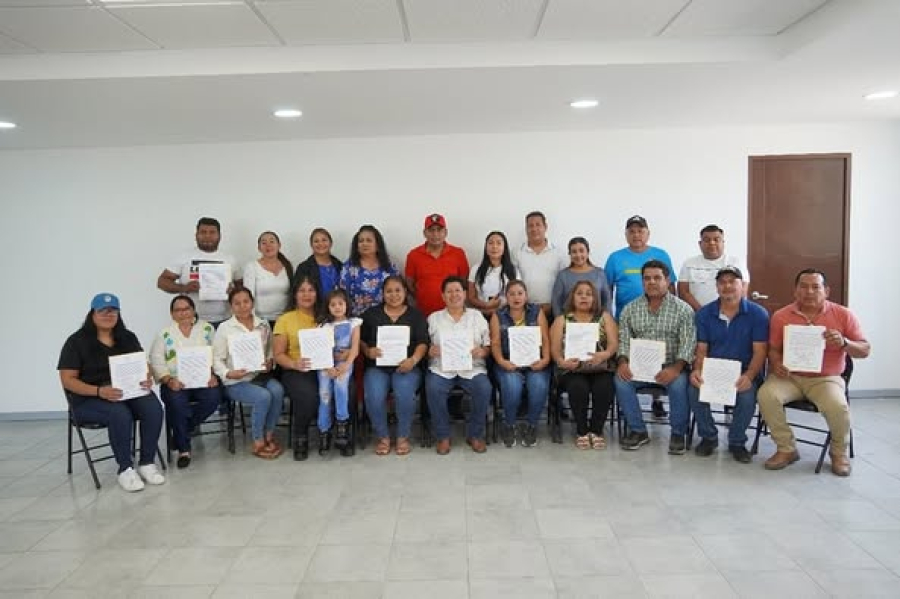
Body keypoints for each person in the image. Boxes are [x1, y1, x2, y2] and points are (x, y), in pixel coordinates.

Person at [757, 269, 870, 476]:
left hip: (826, 379)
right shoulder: (781, 316)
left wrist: (844, 343)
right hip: (790, 377)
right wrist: (777, 363)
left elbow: (865, 350)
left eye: (815, 287)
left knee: (838, 406)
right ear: (795, 291)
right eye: (803, 286)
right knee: (766, 395)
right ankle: (786, 448)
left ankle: (838, 453)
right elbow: (773, 349)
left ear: (826, 291)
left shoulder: (843, 314)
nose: (809, 291)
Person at [58, 293, 166, 492]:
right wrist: (99, 391)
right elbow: (67, 380)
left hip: (125, 393)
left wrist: (147, 376)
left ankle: (147, 463)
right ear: (92, 313)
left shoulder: (127, 337)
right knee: (119, 413)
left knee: (153, 407)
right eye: (103, 311)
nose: (108, 315)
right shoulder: (76, 342)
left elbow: (144, 364)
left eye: (113, 311)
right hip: (88, 399)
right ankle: (125, 469)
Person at [687, 267, 768, 463]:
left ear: (742, 285)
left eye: (732, 281)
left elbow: (760, 351)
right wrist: (697, 370)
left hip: (744, 371)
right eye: (722, 282)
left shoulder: (758, 314)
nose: (727, 286)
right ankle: (708, 437)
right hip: (713, 370)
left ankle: (737, 441)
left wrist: (749, 376)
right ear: (717, 287)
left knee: (746, 397)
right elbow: (702, 349)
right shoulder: (704, 314)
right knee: (694, 389)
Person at [614, 260, 696, 454]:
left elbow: (688, 344)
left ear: (667, 281)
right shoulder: (630, 309)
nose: (652, 282)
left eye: (657, 278)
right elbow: (624, 341)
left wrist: (675, 369)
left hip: (672, 366)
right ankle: (638, 430)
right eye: (647, 278)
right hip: (640, 367)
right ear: (642, 281)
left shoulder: (683, 310)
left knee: (678, 385)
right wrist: (623, 362)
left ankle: (678, 433)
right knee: (621, 381)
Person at [604, 215, 677, 418]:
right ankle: (627, 406)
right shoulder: (615, 258)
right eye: (632, 231)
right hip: (628, 320)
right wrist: (609, 318)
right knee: (630, 364)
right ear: (626, 234)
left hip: (660, 317)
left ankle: (657, 400)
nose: (636, 235)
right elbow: (607, 290)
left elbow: (672, 286)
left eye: (640, 231)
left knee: (659, 357)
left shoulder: (660, 254)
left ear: (648, 233)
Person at [150, 294, 223, 469]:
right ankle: (184, 450)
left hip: (203, 380)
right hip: (176, 382)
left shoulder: (207, 329)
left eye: (186, 309)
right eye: (178, 310)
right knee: (176, 403)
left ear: (193, 310)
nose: (183, 313)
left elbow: (217, 354)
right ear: (172, 314)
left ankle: (183, 431)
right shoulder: (164, 334)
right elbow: (156, 361)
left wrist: (214, 374)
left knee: (214, 397)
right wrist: (168, 380)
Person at [212, 288, 285, 459]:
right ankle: (258, 441)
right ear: (231, 306)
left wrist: (270, 362)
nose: (242, 306)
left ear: (252, 303)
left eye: (246, 301)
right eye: (237, 303)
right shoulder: (225, 328)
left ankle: (268, 434)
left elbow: (270, 351)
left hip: (259, 375)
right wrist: (229, 373)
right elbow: (216, 359)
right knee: (263, 396)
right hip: (235, 381)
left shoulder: (263, 324)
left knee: (278, 390)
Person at [361, 276, 429, 456]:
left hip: (407, 367)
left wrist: (413, 360)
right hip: (377, 367)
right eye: (389, 291)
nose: (393, 295)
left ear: (405, 292)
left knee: (404, 393)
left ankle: (402, 436)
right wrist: (368, 351)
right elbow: (360, 340)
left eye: (398, 290)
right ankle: (383, 436)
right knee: (374, 395)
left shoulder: (416, 315)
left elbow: (423, 342)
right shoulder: (371, 314)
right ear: (382, 294)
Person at [425, 276, 493, 454]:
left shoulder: (476, 316)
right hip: (441, 368)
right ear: (443, 296)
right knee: (433, 387)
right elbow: (424, 345)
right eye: (449, 291)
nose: (454, 295)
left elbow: (488, 344)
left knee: (484, 388)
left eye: (457, 290)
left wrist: (483, 351)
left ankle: (475, 434)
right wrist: (430, 351)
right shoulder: (434, 318)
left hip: (472, 367)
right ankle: (443, 436)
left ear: (464, 294)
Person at [550, 281, 618, 449]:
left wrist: (605, 354)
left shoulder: (605, 317)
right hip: (572, 369)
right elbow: (555, 350)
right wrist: (562, 362)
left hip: (600, 366)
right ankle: (581, 431)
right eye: (579, 293)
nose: (584, 297)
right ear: (572, 297)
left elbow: (614, 345)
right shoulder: (561, 319)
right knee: (578, 387)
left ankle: (596, 430)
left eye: (589, 294)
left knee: (605, 386)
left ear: (595, 298)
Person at [491, 280, 551, 447]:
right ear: (506, 297)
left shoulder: (537, 312)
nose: (516, 297)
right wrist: (502, 361)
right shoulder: (498, 315)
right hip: (508, 362)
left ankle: (532, 425)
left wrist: (545, 359)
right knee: (512, 385)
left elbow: (545, 339)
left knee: (538, 385)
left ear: (526, 296)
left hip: (535, 362)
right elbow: (495, 343)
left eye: (520, 293)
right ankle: (509, 424)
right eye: (511, 294)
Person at [157, 216, 240, 327]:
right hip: (191, 320)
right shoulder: (184, 257)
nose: (207, 236)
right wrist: (184, 288)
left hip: (224, 320)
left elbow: (242, 287)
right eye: (203, 232)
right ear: (196, 235)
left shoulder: (230, 259)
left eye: (212, 232)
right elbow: (162, 282)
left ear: (219, 236)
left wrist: (234, 291)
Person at [273, 275, 322, 460]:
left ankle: (341, 433)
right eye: (302, 290)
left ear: (317, 293)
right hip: (296, 369)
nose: (306, 295)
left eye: (311, 290)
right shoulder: (285, 319)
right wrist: (294, 364)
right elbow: (278, 355)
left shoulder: (326, 316)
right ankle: (300, 435)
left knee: (348, 388)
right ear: (294, 294)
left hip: (324, 368)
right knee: (309, 395)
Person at [316, 289, 362, 456]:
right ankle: (324, 430)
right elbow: (320, 349)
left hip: (344, 362)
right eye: (333, 304)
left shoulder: (354, 323)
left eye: (340, 304)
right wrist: (327, 365)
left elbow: (355, 348)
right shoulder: (323, 326)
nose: (337, 307)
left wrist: (347, 364)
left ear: (346, 305)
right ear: (327, 307)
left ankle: (342, 423)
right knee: (324, 394)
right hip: (325, 363)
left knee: (340, 385)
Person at [405, 213, 470, 317]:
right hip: (424, 314)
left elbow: (464, 283)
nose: (435, 234)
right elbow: (410, 285)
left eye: (439, 230)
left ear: (446, 232)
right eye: (431, 230)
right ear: (424, 233)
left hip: (453, 314)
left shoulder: (458, 254)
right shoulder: (413, 255)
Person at [678, 224, 750, 311]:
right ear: (700, 244)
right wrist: (703, 313)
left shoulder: (736, 263)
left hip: (730, 314)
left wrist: (724, 313)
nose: (712, 243)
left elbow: (742, 291)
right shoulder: (689, 264)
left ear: (723, 243)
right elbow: (683, 292)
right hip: (696, 314)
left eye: (716, 239)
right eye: (707, 240)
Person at [513, 211, 568, 317]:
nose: (534, 229)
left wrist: (554, 305)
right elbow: (514, 283)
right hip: (525, 310)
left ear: (545, 227)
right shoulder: (516, 253)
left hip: (553, 310)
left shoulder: (558, 253)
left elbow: (563, 283)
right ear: (526, 229)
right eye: (530, 226)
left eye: (538, 225)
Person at [339, 225, 399, 317]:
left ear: (377, 245)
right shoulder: (349, 268)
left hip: (385, 317)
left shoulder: (389, 267)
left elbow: (398, 292)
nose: (364, 244)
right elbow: (342, 296)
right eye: (361, 241)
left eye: (369, 240)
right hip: (357, 318)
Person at [551, 237, 611, 319]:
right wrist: (560, 321)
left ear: (588, 252)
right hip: (569, 322)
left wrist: (606, 320)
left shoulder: (599, 274)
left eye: (581, 251)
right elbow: (556, 302)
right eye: (574, 252)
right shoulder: (563, 275)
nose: (578, 255)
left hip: (596, 322)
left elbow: (607, 300)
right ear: (570, 254)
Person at [242, 231, 293, 327]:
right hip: (260, 320)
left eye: (272, 241)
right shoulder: (252, 267)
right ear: (259, 248)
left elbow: (292, 294)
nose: (268, 245)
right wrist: (251, 322)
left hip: (284, 319)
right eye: (264, 243)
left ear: (279, 245)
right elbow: (247, 297)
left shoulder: (287, 266)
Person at [468, 231, 520, 320]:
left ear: (504, 248)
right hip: (481, 315)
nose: (494, 246)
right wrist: (486, 305)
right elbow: (471, 297)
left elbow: (518, 296)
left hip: (507, 316)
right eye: (491, 243)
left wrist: (498, 310)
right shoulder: (476, 269)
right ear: (486, 247)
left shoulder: (513, 270)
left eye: (499, 243)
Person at [293, 227, 343, 300]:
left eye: (324, 240)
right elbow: (297, 293)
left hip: (337, 306)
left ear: (331, 243)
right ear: (311, 245)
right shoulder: (304, 268)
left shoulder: (340, 266)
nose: (320, 244)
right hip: (314, 306)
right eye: (316, 241)